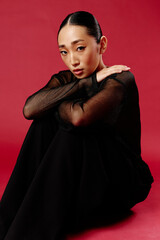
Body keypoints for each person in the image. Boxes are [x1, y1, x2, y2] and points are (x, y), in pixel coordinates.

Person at [0, 11, 153, 240]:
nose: (72, 60)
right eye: (64, 51)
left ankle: (27, 233)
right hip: (87, 185)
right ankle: (5, 220)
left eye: (79, 48)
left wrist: (65, 98)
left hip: (121, 187)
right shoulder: (70, 79)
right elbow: (30, 110)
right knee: (43, 121)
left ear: (101, 45)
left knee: (71, 128)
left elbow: (79, 118)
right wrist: (85, 84)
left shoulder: (121, 80)